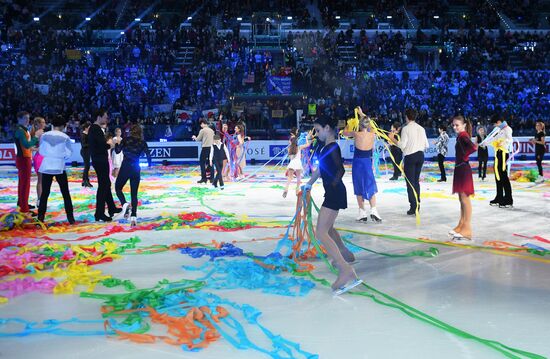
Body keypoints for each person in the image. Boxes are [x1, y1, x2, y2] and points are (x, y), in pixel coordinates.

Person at [303, 115, 362, 296]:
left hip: (334, 192)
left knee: (321, 232)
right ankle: (346, 254)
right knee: (327, 228)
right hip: (333, 191)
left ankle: (346, 271)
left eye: (318, 130)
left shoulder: (332, 147)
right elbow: (321, 169)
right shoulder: (327, 147)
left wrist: (333, 185)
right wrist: (309, 183)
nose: (317, 134)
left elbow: (340, 169)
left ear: (327, 128)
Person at [342, 108, 381, 222]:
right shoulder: (372, 134)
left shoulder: (356, 133)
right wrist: (361, 113)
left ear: (359, 124)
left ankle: (362, 212)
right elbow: (370, 124)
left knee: (359, 185)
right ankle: (374, 210)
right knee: (370, 184)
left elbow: (344, 133)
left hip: (358, 162)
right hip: (367, 162)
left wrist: (349, 124)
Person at [37, 115, 75, 225]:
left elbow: (41, 151)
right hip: (59, 166)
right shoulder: (65, 137)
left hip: (47, 166)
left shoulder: (44, 135)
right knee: (65, 193)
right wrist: (60, 156)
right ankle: (70, 217)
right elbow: (69, 153)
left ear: (52, 124)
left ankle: (40, 217)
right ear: (63, 126)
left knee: (45, 193)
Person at [114, 124, 152, 226]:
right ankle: (133, 217)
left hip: (126, 166)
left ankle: (125, 204)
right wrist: (149, 165)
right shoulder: (142, 142)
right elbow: (148, 155)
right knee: (134, 193)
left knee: (118, 188)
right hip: (136, 167)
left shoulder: (126, 140)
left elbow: (117, 151)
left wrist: (117, 144)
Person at [88, 108, 121, 222]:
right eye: (105, 116)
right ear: (99, 117)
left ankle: (111, 208)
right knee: (104, 185)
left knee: (105, 183)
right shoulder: (95, 129)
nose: (107, 119)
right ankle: (99, 213)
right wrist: (110, 145)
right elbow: (101, 145)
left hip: (99, 159)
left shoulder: (96, 129)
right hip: (100, 159)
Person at [449, 116, 477, 242]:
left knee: (465, 199)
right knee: (462, 199)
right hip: (461, 168)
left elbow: (472, 147)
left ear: (464, 125)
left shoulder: (463, 136)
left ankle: (467, 229)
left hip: (463, 169)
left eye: (457, 125)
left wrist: (465, 155)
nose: (455, 127)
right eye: (453, 125)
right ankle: (461, 225)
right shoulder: (461, 136)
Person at [396, 108, 429, 215]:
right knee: (416, 181)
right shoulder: (421, 128)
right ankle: (417, 204)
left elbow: (402, 145)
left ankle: (413, 206)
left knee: (410, 183)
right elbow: (426, 145)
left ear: (407, 117)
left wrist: (393, 139)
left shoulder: (406, 129)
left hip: (410, 157)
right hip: (420, 155)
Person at [14, 111, 42, 215]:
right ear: (19, 119)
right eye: (25, 118)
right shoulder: (20, 131)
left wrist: (35, 148)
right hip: (24, 160)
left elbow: (27, 146)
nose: (27, 120)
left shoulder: (22, 130)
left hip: (24, 158)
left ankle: (23, 205)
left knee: (23, 183)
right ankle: (24, 209)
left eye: (28, 118)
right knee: (25, 184)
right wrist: (36, 137)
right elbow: (26, 145)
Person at [489, 115, 513, 208]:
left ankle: (508, 198)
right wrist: (486, 143)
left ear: (499, 121)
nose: (495, 125)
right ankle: (499, 196)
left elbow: (510, 140)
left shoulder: (507, 129)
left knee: (503, 175)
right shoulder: (498, 130)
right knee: (498, 176)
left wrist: (503, 142)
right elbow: (493, 139)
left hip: (503, 153)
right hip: (497, 153)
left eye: (495, 123)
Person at [283, 128, 309, 198]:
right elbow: (307, 145)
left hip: (292, 163)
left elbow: (290, 157)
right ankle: (297, 191)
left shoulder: (290, 149)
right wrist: (306, 137)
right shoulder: (299, 147)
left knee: (289, 178)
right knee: (298, 178)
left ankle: (286, 189)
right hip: (298, 163)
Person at [192, 119, 215, 184]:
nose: (200, 126)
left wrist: (194, 137)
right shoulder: (211, 130)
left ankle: (204, 178)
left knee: (202, 163)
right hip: (211, 147)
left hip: (205, 147)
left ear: (203, 123)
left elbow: (198, 139)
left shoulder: (202, 130)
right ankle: (212, 178)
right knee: (211, 162)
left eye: (200, 124)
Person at [31, 117, 46, 208]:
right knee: (41, 180)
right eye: (43, 122)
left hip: (43, 157)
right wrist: (39, 149)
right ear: (38, 124)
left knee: (43, 180)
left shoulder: (41, 133)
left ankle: (41, 199)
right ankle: (40, 199)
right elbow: (30, 147)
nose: (44, 124)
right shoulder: (36, 134)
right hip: (40, 157)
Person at [80, 121, 93, 187]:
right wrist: (91, 144)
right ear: (86, 128)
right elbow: (83, 144)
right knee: (87, 166)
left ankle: (84, 181)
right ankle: (86, 181)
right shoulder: (83, 134)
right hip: (84, 151)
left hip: (87, 151)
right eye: (89, 127)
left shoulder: (88, 134)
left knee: (87, 166)